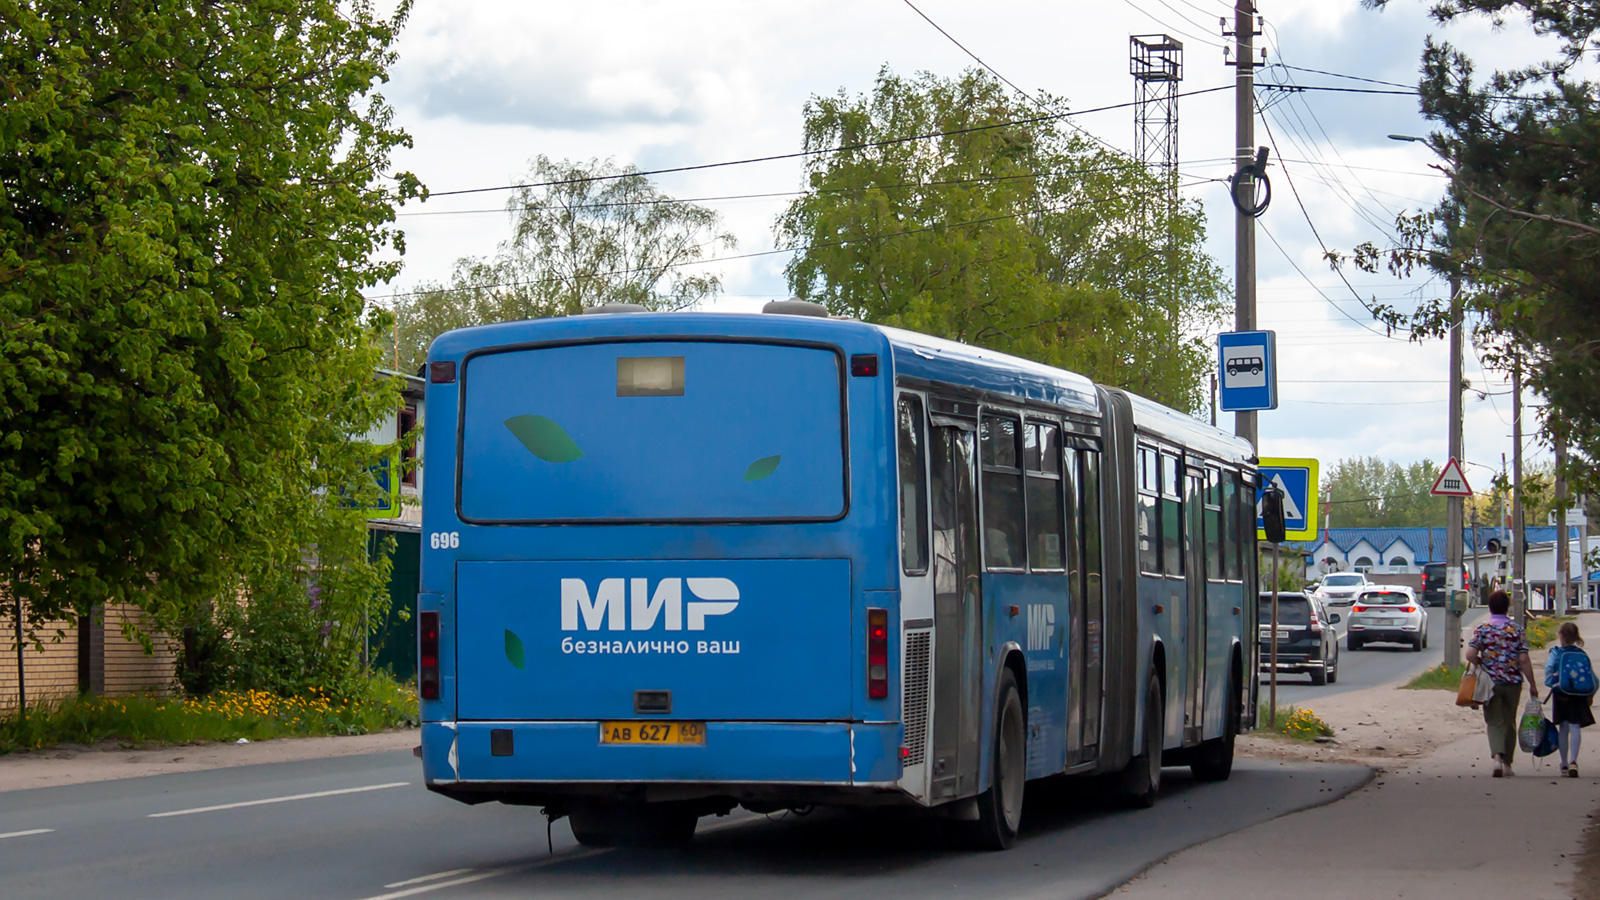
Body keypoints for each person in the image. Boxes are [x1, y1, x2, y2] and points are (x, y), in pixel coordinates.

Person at [1466, 590, 1539, 776]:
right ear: (1507, 608)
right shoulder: (1517, 630)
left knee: (1494, 721)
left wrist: (1482, 662)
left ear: (1490, 608)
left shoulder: (1483, 629)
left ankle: (1497, 759)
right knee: (1509, 721)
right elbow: (1523, 660)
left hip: (1491, 683)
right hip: (1513, 682)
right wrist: (1532, 684)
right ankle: (1508, 764)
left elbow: (1470, 655)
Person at [1544, 621, 1595, 777]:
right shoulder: (1582, 654)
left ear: (1561, 636)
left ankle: (1564, 763)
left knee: (1563, 728)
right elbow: (1591, 677)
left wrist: (1553, 682)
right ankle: (1574, 761)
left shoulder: (1556, 653)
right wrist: (1590, 695)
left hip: (1561, 694)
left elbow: (1548, 673)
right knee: (1575, 727)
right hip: (1579, 694)